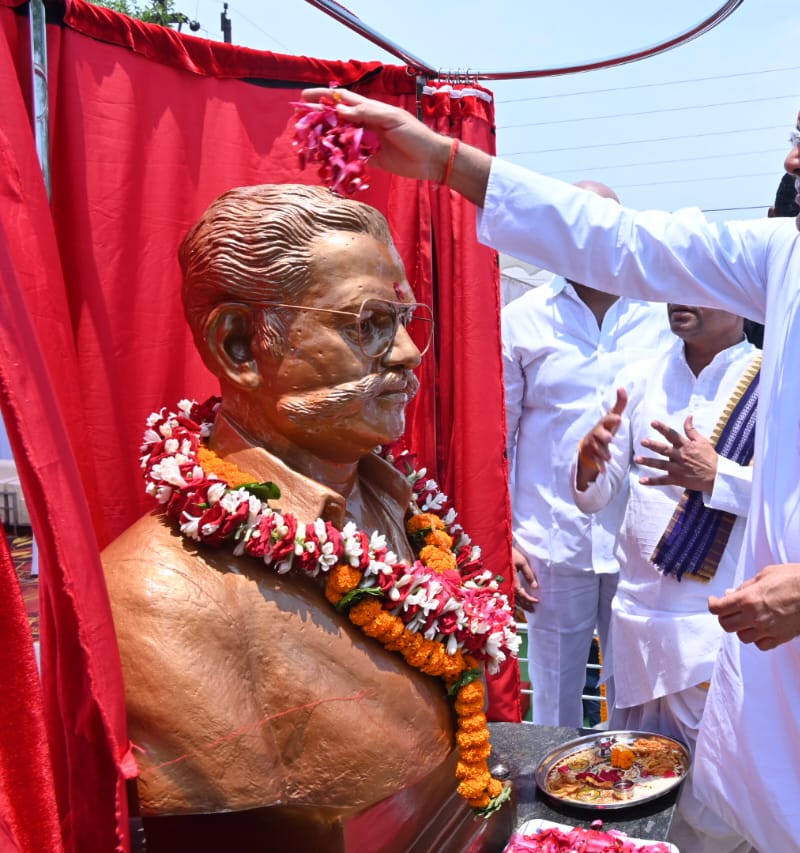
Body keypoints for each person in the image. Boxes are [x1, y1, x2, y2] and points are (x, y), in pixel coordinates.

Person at [302, 24, 800, 851]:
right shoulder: (793, 262)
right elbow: (630, 242)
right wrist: (446, 160)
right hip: (759, 703)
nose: (796, 159)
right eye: (798, 136)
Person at [101, 185, 504, 851]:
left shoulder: (403, 509)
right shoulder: (160, 596)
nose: (406, 353)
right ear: (238, 345)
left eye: (405, 319)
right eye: (367, 324)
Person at [501, 181, 671, 727]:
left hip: (638, 543)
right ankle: (553, 809)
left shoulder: (661, 318)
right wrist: (502, 535)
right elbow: (499, 437)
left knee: (633, 695)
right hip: (549, 543)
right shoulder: (524, 319)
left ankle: (622, 802)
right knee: (553, 698)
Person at [572, 304, 759, 750]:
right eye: (673, 285)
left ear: (742, 298)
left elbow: (796, 499)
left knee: (712, 787)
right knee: (633, 770)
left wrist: (719, 477)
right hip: (636, 616)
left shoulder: (774, 382)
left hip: (714, 623)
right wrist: (584, 463)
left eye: (697, 286)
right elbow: (594, 496)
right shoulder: (639, 377)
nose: (679, 298)